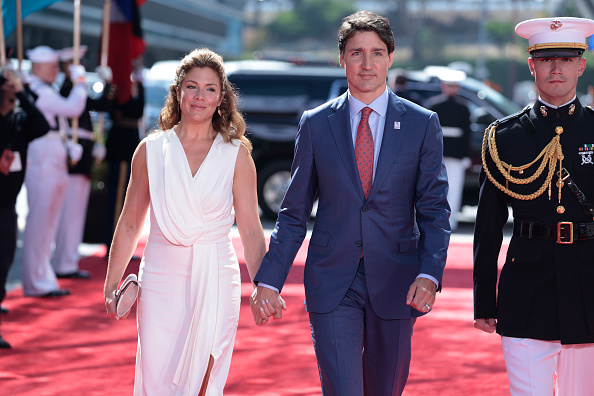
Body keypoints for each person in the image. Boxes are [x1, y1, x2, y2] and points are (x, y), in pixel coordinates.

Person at [251, 10, 450, 395]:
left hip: (398, 280)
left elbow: (434, 211)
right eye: (356, 52)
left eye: (376, 52)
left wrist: (430, 274)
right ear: (341, 58)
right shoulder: (315, 123)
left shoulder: (422, 123)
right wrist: (269, 279)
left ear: (391, 57)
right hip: (331, 278)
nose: (367, 63)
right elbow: (293, 213)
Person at [103, 48, 268, 395]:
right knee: (158, 374)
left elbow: (252, 229)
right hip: (161, 275)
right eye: (192, 86)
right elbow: (131, 222)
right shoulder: (150, 149)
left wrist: (264, 285)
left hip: (216, 275)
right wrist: (111, 281)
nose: (200, 96)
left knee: (204, 378)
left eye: (210, 88)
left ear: (222, 97)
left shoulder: (236, 154)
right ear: (178, 92)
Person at [474, 17, 594, 395]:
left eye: (565, 58)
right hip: (526, 289)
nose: (555, 68)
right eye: (545, 59)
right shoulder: (503, 137)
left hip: (589, 288)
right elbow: (488, 227)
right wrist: (483, 301)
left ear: (581, 64)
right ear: (532, 65)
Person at [21, 45, 87, 297]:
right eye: (52, 67)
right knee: (40, 223)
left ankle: (43, 278)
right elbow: (73, 108)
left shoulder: (43, 89)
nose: (56, 71)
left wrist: (67, 147)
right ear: (38, 69)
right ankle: (36, 281)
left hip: (52, 156)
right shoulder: (39, 91)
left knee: (48, 224)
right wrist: (81, 81)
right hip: (42, 161)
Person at [51, 46, 114, 279]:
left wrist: (107, 85)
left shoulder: (75, 88)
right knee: (70, 212)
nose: (82, 68)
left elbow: (101, 106)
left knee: (76, 212)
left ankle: (67, 260)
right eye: (77, 64)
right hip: (73, 155)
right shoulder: (68, 88)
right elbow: (75, 109)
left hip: (83, 152)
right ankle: (64, 262)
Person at [0, 68, 51, 349]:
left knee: (3, 264)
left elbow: (42, 125)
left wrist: (21, 91)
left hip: (7, 207)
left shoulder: (20, 119)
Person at [103, 65, 144, 258]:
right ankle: (113, 243)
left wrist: (140, 86)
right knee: (119, 199)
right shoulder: (119, 91)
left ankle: (120, 244)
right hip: (121, 149)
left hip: (127, 149)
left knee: (127, 201)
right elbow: (132, 110)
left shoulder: (130, 90)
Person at [426, 71, 472, 231]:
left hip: (446, 152)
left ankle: (447, 221)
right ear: (443, 86)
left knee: (450, 187)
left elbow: (466, 133)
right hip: (446, 152)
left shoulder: (433, 104)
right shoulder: (462, 107)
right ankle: (443, 220)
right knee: (445, 187)